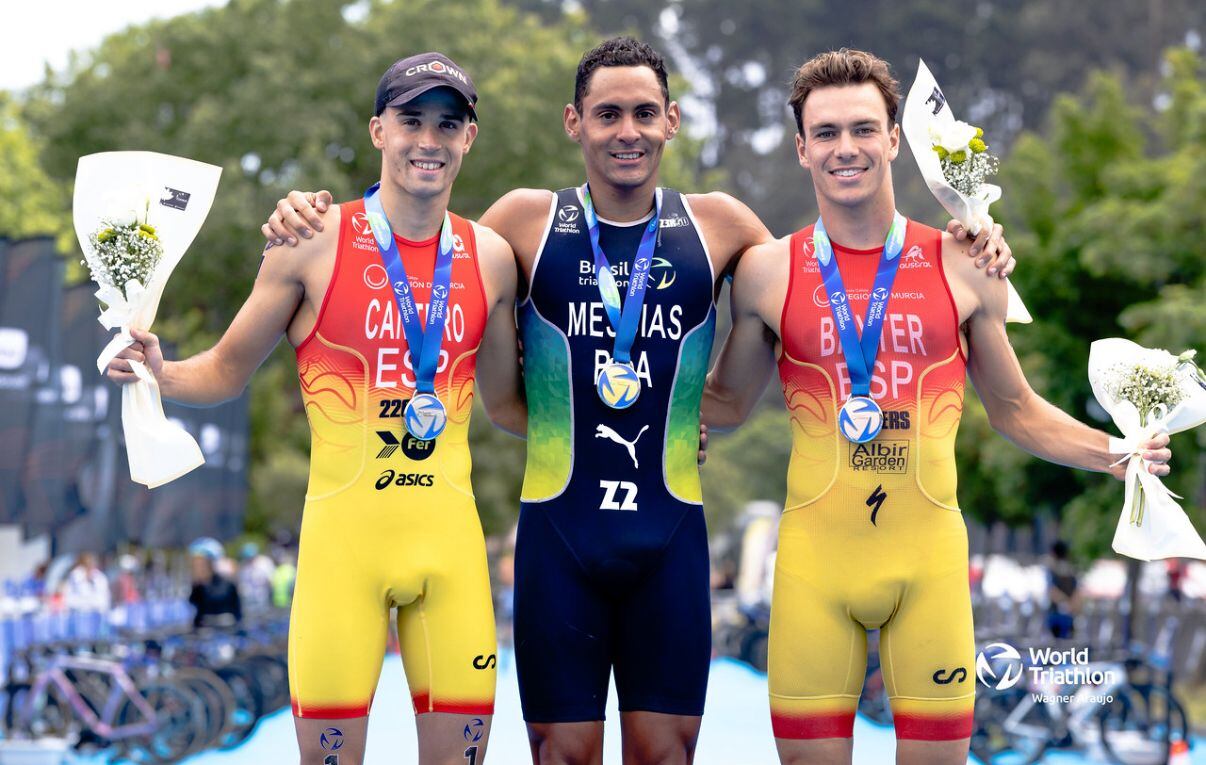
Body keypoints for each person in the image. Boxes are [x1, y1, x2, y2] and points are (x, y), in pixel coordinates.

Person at [261, 37, 1011, 765]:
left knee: (664, 752)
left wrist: (968, 241)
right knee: (564, 752)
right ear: (574, 122)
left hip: (669, 538)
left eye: (645, 113)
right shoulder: (521, 222)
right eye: (609, 113)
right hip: (560, 535)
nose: (628, 131)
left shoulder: (722, 226)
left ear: (672, 120)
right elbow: (425, 275)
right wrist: (307, 216)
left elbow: (832, 280)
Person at [700, 48, 1174, 765]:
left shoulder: (964, 262)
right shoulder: (767, 272)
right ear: (801, 148)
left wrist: (1116, 453)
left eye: (863, 128)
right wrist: (640, 404)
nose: (846, 148)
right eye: (825, 133)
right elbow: (727, 403)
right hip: (812, 569)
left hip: (930, 567)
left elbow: (1016, 408)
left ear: (894, 139)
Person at [107, 51, 524, 765]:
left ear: (469, 139)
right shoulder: (312, 240)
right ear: (377, 131)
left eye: (447, 125)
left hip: (452, 553)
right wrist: (158, 370)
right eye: (411, 121)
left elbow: (511, 403)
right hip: (342, 555)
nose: (429, 140)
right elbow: (226, 370)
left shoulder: (491, 257)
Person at [188, 537, 242, 629]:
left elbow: (237, 611)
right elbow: (195, 610)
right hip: (204, 634)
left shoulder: (227, 584)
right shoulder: (198, 586)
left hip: (225, 633)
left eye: (201, 563)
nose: (198, 566)